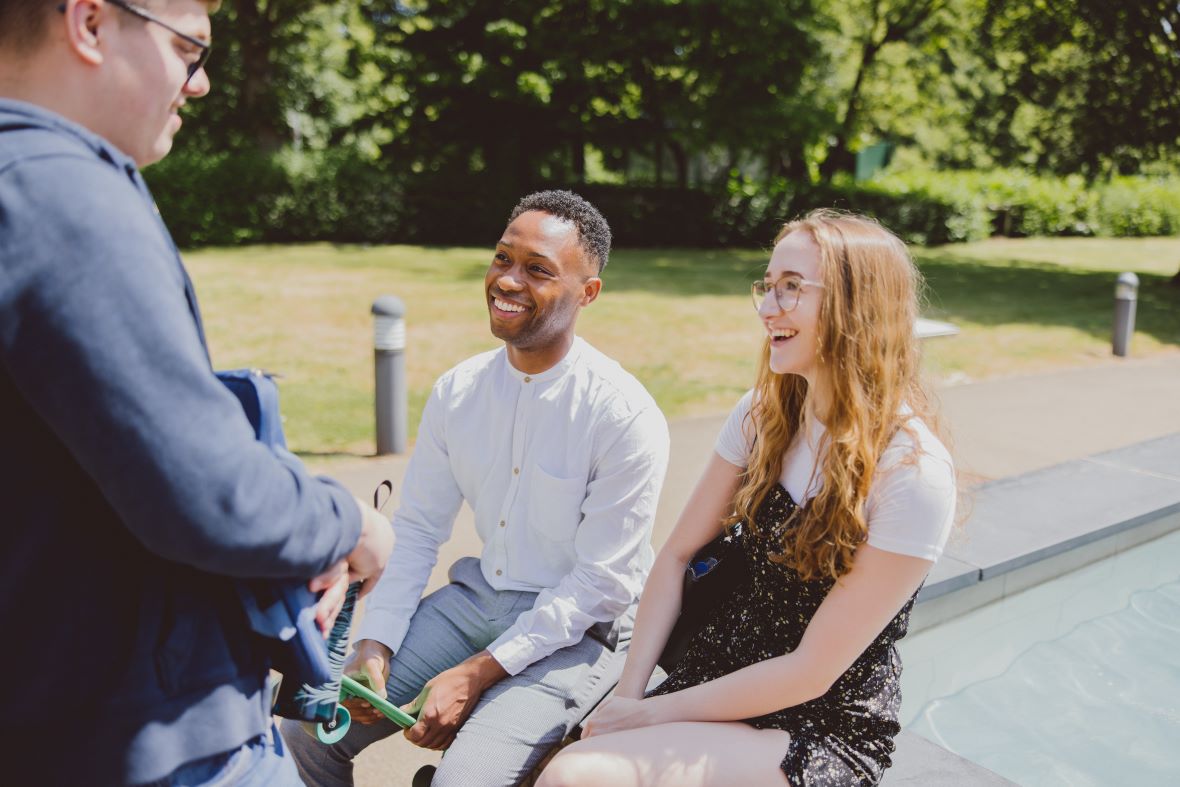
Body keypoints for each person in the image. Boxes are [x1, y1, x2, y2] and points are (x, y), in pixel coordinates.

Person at [0, 2, 393, 784]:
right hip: (151, 735)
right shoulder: (62, 196)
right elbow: (209, 490)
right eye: (189, 49)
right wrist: (348, 521)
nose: (202, 82)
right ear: (89, 23)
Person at [537, 209, 958, 787]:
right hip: (711, 683)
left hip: (817, 725)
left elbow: (811, 673)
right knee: (557, 765)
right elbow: (676, 557)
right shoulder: (763, 416)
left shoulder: (912, 472)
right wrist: (627, 699)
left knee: (576, 778)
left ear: (857, 308)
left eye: (792, 288)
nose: (767, 307)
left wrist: (649, 713)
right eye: (768, 284)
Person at [283, 189, 671, 786]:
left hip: (583, 632)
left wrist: (477, 672)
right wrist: (376, 645)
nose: (508, 281)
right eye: (501, 259)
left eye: (538, 269)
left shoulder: (622, 415)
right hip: (476, 600)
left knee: (466, 781)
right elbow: (414, 531)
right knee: (304, 733)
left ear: (587, 292)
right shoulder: (457, 392)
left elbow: (601, 585)